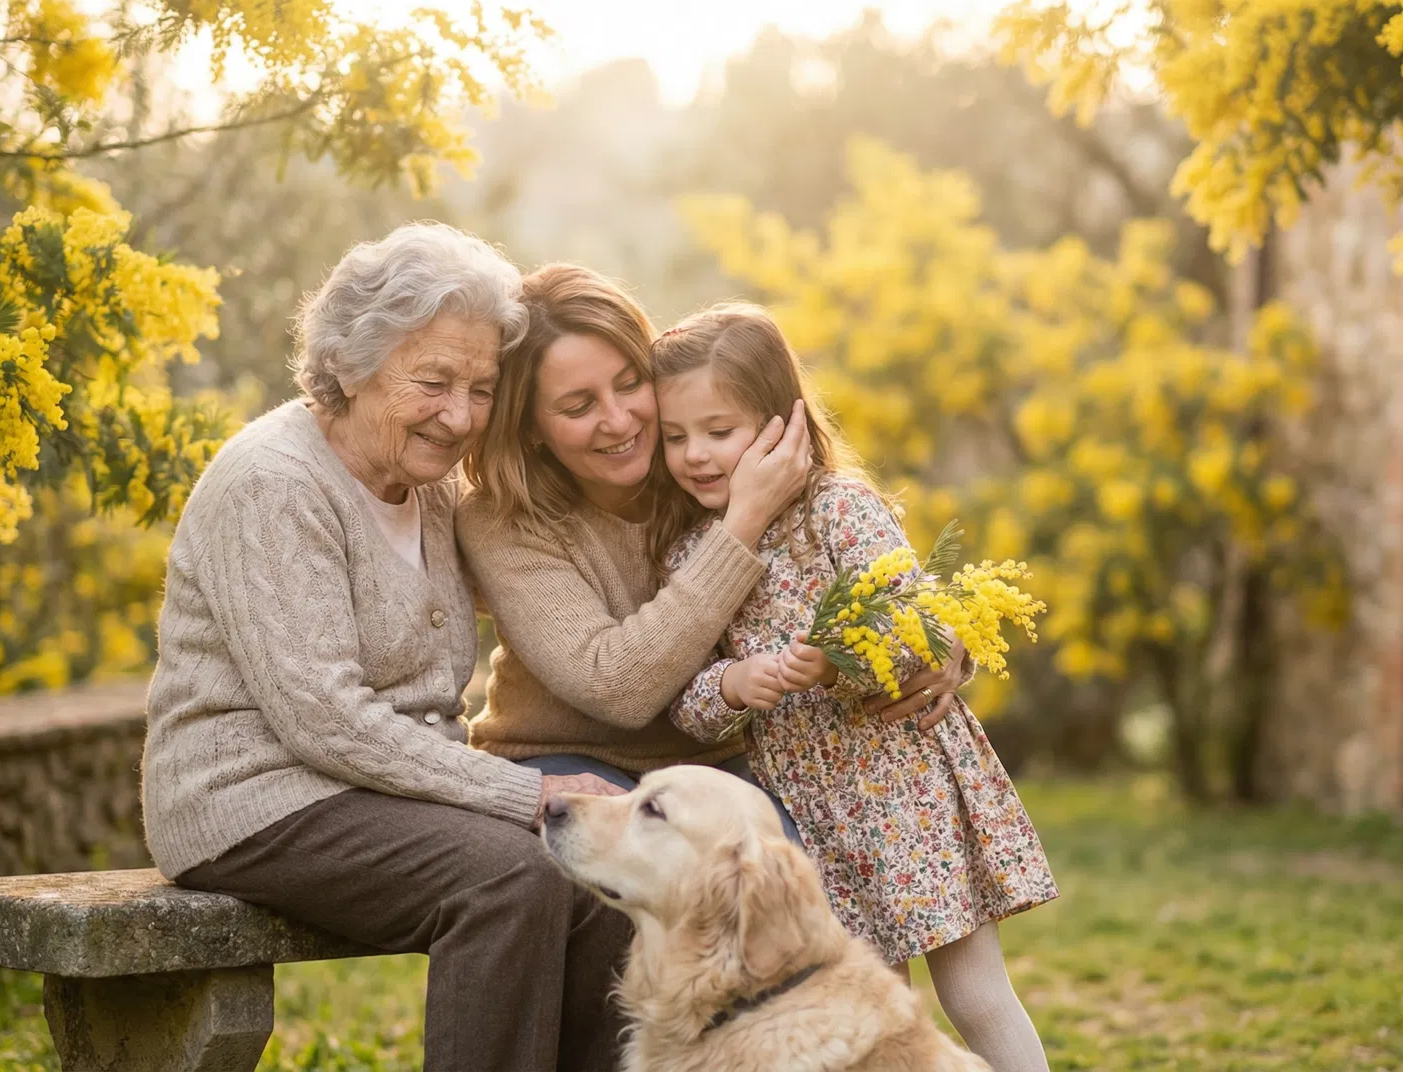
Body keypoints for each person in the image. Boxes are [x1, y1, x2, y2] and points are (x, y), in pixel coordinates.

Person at [141, 224, 627, 1072]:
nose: (459, 416)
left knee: (600, 868)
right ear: (350, 365)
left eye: (480, 389)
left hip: (371, 794)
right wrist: (525, 791)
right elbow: (324, 719)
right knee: (513, 875)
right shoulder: (273, 484)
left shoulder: (428, 483)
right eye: (433, 382)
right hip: (254, 802)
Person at [650, 303, 1059, 1072]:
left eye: (718, 430)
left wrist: (841, 662)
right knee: (873, 1012)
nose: (695, 454)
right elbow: (685, 702)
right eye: (675, 437)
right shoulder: (693, 554)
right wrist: (734, 684)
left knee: (975, 995)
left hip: (906, 796)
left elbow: (919, 626)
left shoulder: (839, 510)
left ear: (781, 426)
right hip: (810, 816)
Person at [458, 265, 968, 837]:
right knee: (628, 857)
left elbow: (857, 569)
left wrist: (940, 639)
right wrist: (744, 520)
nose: (619, 420)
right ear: (529, 425)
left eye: (630, 383)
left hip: (717, 757)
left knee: (786, 860)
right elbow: (616, 688)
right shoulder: (502, 518)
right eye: (578, 407)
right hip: (565, 757)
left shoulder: (701, 468)